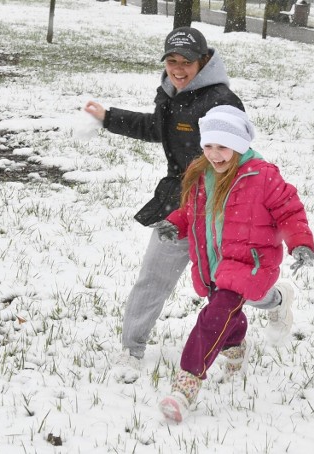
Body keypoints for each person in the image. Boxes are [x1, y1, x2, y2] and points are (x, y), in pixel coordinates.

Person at [84, 27, 293, 383]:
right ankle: (131, 349)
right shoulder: (170, 93)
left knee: (239, 289)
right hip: (177, 203)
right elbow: (159, 129)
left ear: (204, 61)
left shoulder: (222, 101)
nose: (178, 69)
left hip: (220, 214)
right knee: (153, 275)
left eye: (186, 62)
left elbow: (239, 153)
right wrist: (108, 118)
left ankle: (277, 299)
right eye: (171, 60)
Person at [155, 105, 314, 423]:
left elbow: (289, 210)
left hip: (248, 262)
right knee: (226, 312)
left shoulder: (262, 175)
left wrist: (301, 244)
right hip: (213, 262)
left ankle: (186, 385)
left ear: (239, 144)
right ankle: (237, 342)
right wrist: (176, 222)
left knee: (213, 316)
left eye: (222, 147)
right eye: (209, 146)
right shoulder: (202, 174)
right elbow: (192, 211)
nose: (214, 154)